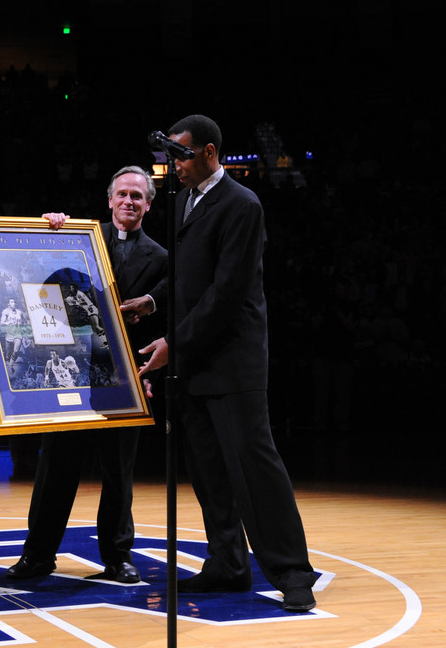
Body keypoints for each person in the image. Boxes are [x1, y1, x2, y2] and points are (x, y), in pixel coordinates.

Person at [138, 115, 317, 612]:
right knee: (209, 473)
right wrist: (152, 303)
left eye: (181, 155)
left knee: (254, 468)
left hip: (232, 362)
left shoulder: (242, 204)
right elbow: (184, 276)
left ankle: (292, 571)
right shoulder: (182, 202)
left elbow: (227, 293)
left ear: (209, 153)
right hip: (193, 362)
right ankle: (228, 564)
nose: (174, 165)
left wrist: (174, 343)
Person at [5, 166, 167, 584]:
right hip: (71, 375)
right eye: (122, 194)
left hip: (124, 381)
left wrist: (147, 374)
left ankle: (118, 556)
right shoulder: (75, 239)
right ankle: (37, 555)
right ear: (109, 199)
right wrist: (49, 231)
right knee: (55, 468)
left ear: (148, 205)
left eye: (137, 196)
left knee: (119, 474)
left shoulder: (162, 259)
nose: (128, 201)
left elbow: (159, 323)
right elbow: (37, 276)